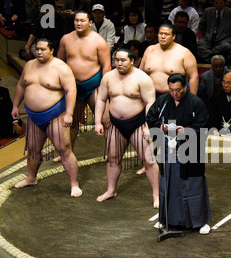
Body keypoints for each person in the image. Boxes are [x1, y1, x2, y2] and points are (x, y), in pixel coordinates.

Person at [11, 38, 82, 197]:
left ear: (51, 50)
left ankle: (74, 184)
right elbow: (22, 85)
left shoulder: (61, 68)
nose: (39, 52)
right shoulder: (29, 65)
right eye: (37, 49)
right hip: (34, 116)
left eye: (43, 49)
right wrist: (16, 105)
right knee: (33, 149)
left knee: (64, 149)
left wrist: (69, 113)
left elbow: (71, 91)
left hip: (55, 115)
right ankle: (31, 178)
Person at [146, 73, 212, 235]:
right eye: (171, 90)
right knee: (168, 183)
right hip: (168, 148)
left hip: (190, 149)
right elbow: (151, 117)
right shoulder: (163, 101)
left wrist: (187, 131)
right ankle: (166, 219)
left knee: (192, 184)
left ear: (185, 87)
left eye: (178, 90)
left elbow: (204, 126)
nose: (174, 93)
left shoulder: (196, 103)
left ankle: (200, 222)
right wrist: (160, 128)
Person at [94, 48, 159, 207]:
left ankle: (157, 195)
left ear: (132, 60)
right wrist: (97, 121)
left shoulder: (142, 78)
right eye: (117, 60)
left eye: (123, 60)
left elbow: (150, 102)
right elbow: (101, 99)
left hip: (138, 124)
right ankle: (111, 190)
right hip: (116, 124)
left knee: (148, 160)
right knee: (113, 159)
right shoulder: (108, 77)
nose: (119, 63)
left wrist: (148, 125)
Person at [57, 10, 112, 156]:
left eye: (82, 20)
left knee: (106, 121)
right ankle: (67, 152)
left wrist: (105, 89)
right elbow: (59, 63)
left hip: (94, 86)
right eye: (76, 20)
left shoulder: (99, 41)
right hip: (73, 88)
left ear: (90, 22)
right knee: (71, 123)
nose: (79, 23)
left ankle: (113, 153)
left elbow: (106, 66)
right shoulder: (66, 39)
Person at [140, 22, 199, 95]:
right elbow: (140, 74)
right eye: (161, 33)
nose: (163, 37)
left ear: (174, 36)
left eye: (166, 34)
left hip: (174, 96)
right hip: (150, 95)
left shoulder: (184, 53)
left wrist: (192, 100)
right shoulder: (149, 50)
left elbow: (193, 77)